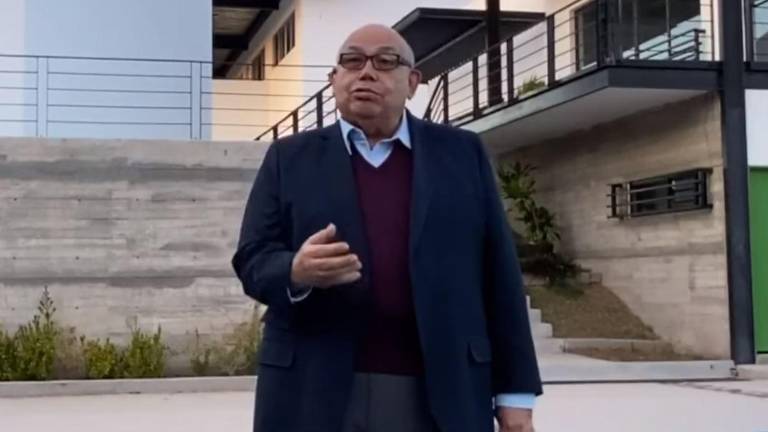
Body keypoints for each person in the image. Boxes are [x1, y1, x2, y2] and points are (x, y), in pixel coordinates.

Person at [232, 23, 542, 432]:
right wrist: (295, 270)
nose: (366, 72)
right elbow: (252, 260)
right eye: (352, 61)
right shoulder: (288, 158)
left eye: (385, 61)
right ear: (334, 79)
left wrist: (515, 393)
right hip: (312, 386)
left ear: (412, 82)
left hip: (439, 387)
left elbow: (498, 273)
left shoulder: (462, 153)